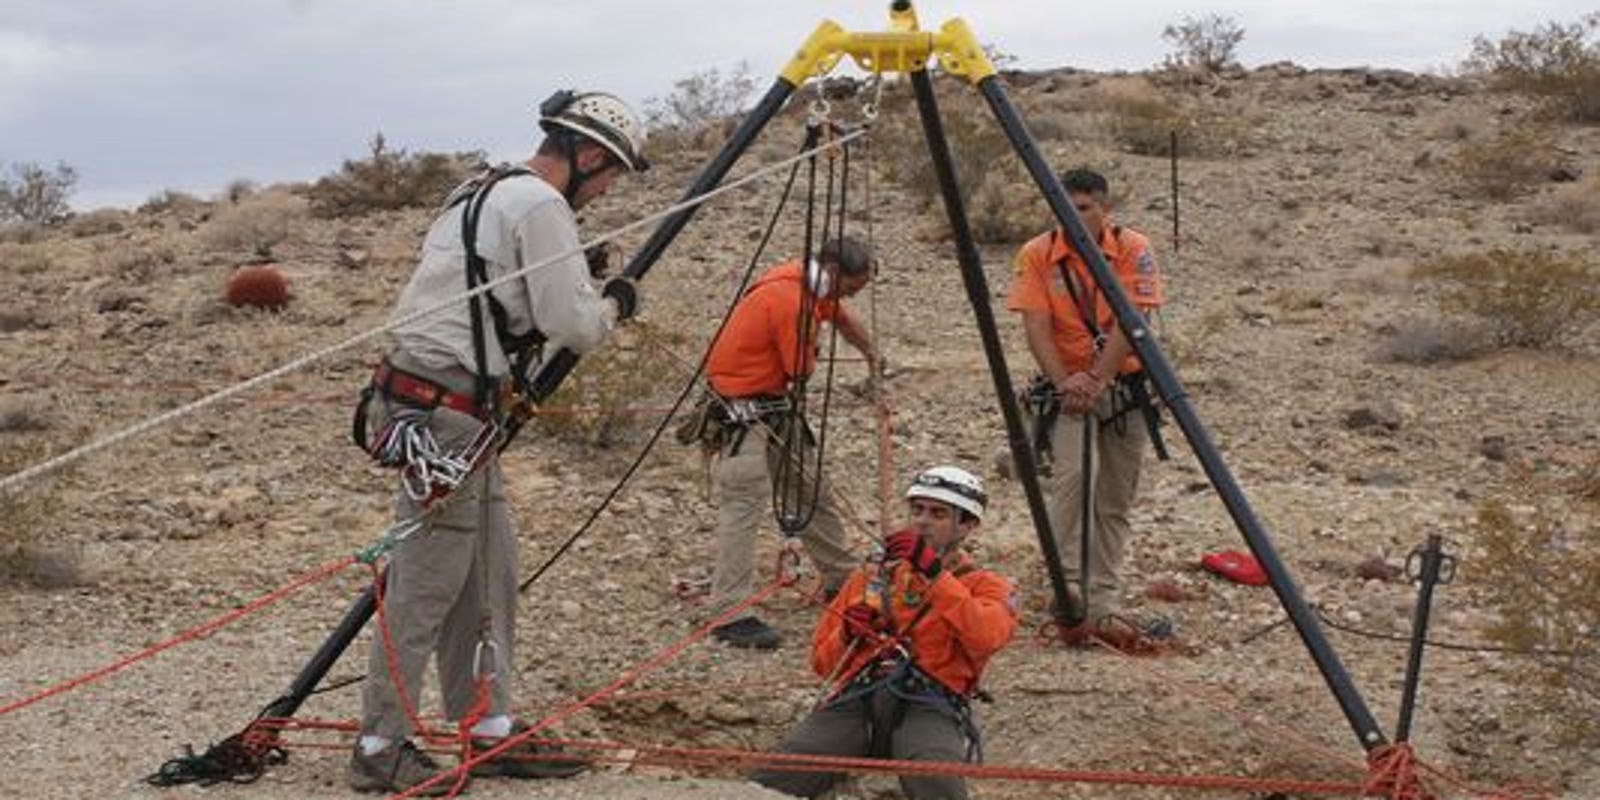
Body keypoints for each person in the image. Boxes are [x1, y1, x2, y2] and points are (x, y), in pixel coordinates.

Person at [347, 89, 648, 795]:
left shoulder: (479, 187)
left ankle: (488, 724)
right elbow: (574, 324)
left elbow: (510, 302)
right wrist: (616, 303)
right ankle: (378, 742)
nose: (603, 192)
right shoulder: (541, 206)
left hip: (447, 406)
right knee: (425, 583)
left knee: (488, 573)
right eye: (607, 178)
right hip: (447, 412)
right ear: (589, 154)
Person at [751, 465, 1017, 800]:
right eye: (917, 510)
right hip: (859, 699)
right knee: (775, 779)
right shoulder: (872, 578)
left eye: (938, 513)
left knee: (938, 784)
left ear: (967, 525)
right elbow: (822, 663)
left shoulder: (985, 586)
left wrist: (934, 575)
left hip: (930, 703)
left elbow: (987, 636)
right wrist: (848, 633)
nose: (922, 521)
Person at [699, 236, 880, 649]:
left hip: (772, 406)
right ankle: (730, 613)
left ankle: (841, 579)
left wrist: (871, 351)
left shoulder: (809, 285)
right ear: (834, 272)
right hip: (744, 412)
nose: (852, 295)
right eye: (853, 286)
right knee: (744, 503)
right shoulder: (790, 299)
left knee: (809, 490)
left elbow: (842, 318)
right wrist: (816, 344)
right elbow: (800, 367)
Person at [1005, 168, 1166, 626]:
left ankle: (1103, 598)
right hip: (1068, 388)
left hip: (1123, 387)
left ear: (1104, 209)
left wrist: (1097, 378)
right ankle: (1067, 588)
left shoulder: (1134, 249)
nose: (1073, 218)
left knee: (1114, 497)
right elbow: (1035, 326)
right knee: (1070, 485)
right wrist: (1066, 383)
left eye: (1083, 209)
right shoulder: (1037, 254)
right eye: (1065, 209)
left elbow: (1131, 321)